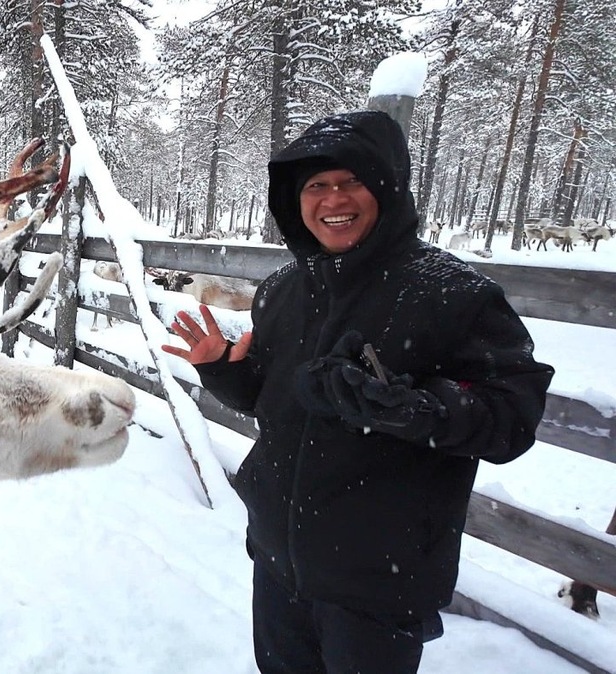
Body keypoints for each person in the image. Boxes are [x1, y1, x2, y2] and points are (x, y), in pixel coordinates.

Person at [162, 110, 554, 674]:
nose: (332, 198)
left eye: (352, 181)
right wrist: (224, 370)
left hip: (377, 582)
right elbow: (276, 406)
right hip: (278, 562)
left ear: (388, 186)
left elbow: (511, 419)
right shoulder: (283, 290)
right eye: (315, 186)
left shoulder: (453, 294)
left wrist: (408, 408)